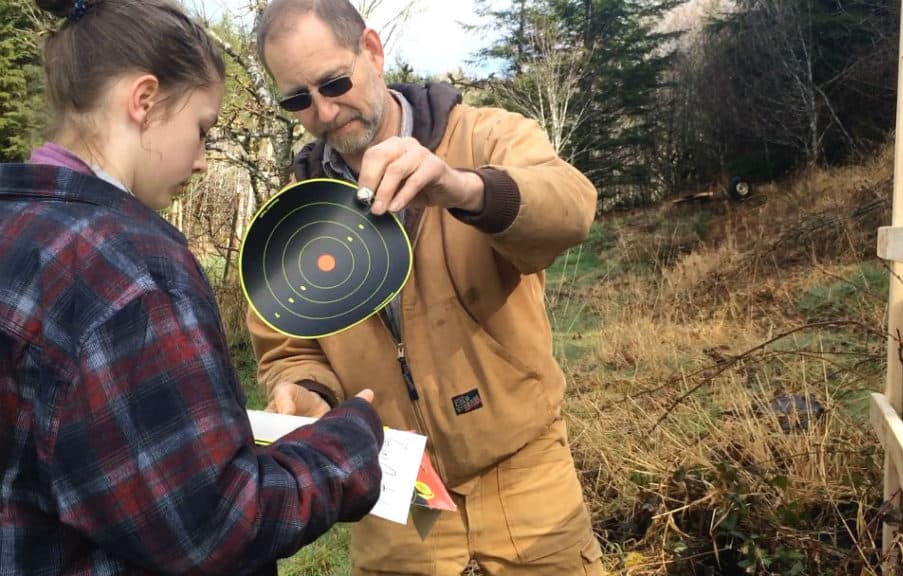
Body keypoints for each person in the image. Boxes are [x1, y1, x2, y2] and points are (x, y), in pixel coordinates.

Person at [0, 1, 385, 574]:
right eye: (201, 129)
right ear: (145, 100)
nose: (203, 161)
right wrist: (351, 442)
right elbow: (214, 524)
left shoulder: (18, 223)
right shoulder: (131, 267)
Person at [251, 1, 604, 574]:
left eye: (333, 83)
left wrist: (461, 188)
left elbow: (571, 208)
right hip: (395, 498)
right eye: (297, 99)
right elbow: (286, 345)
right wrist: (305, 389)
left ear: (371, 49)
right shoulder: (292, 220)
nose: (322, 110)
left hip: (525, 475)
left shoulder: (484, 136)